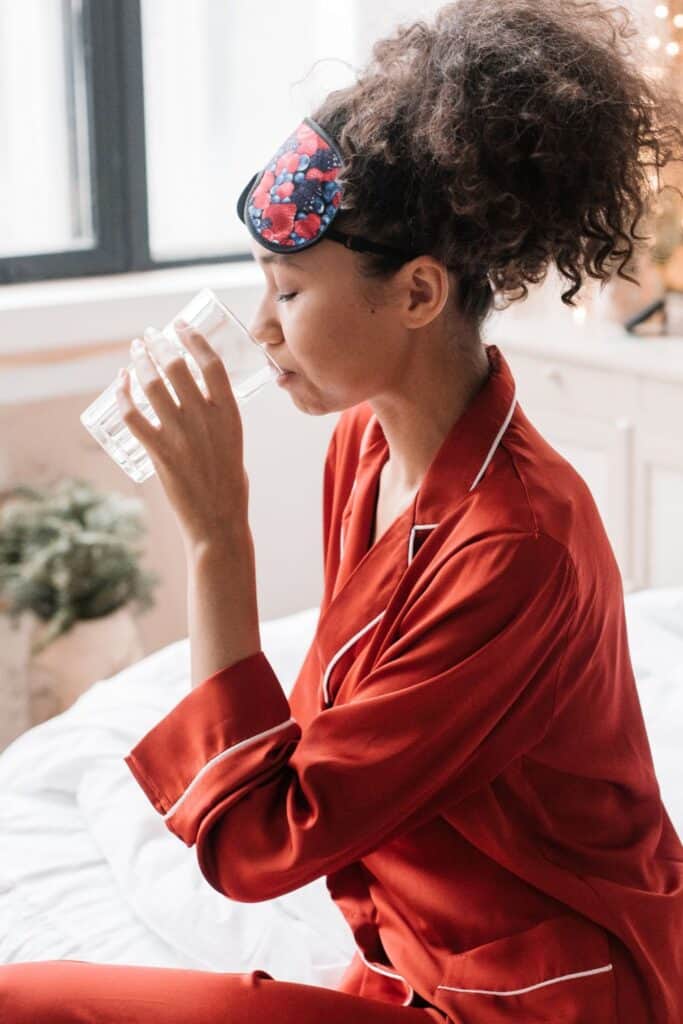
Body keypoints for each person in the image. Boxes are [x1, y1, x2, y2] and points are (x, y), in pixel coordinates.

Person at [2, 1, 682, 1021]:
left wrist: (216, 535)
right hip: (406, 945)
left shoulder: (517, 546)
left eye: (286, 291)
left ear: (415, 295)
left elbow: (254, 843)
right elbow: (332, 745)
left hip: (530, 999)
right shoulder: (364, 448)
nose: (262, 330)